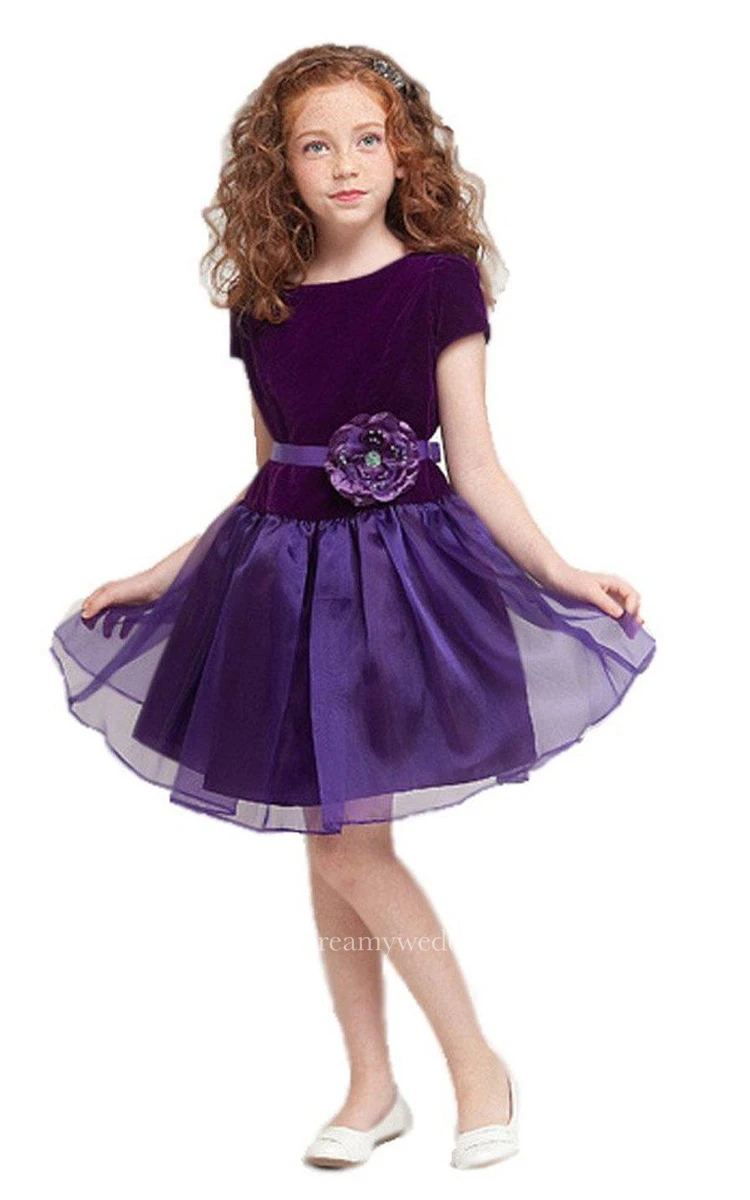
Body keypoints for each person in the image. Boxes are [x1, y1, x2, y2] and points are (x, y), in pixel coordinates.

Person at [49, 44, 657, 1171]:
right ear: (278, 165)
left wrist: (561, 570)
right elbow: (269, 476)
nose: (345, 165)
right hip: (276, 590)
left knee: (344, 844)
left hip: (393, 591)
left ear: (404, 150)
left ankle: (474, 1067)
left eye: (367, 140)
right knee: (330, 838)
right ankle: (372, 1087)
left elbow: (476, 463)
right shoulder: (262, 303)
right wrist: (165, 573)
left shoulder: (437, 282)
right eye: (315, 145)